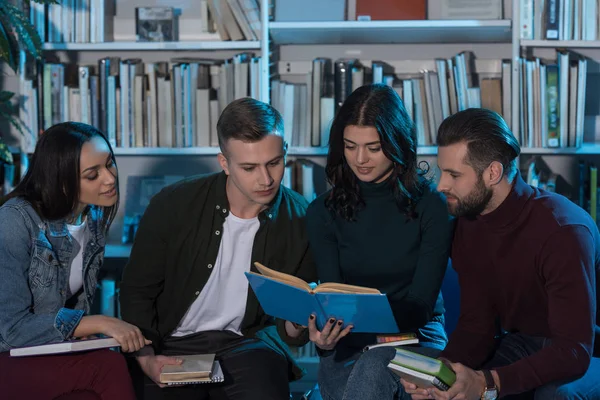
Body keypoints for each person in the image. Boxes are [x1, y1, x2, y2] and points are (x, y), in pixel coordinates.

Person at [119, 97, 318, 400]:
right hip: (170, 342)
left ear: (285, 151)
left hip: (247, 343)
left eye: (274, 163)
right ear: (224, 163)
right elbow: (137, 291)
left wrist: (298, 322)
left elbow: (289, 332)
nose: (266, 179)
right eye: (249, 167)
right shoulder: (172, 203)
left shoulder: (303, 218)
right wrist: (146, 359)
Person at [402, 108, 600, 400]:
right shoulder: (468, 225)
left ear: (492, 172)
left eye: (454, 174)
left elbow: (574, 349)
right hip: (522, 343)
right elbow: (477, 325)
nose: (441, 185)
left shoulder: (563, 229)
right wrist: (440, 373)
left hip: (588, 351)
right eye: (442, 171)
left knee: (554, 395)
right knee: (452, 390)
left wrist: (487, 382)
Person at [305, 84, 454, 400]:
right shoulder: (322, 211)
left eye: (373, 147)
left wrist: (368, 329)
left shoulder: (432, 206)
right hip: (349, 338)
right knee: (359, 372)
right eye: (350, 146)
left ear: (397, 143)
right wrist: (325, 335)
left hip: (418, 334)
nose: (360, 159)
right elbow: (334, 293)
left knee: (374, 365)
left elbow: (421, 307)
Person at [0, 122, 149, 400]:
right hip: (7, 354)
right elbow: (11, 330)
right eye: (92, 175)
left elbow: (70, 310)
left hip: (44, 352)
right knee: (108, 367)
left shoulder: (92, 221)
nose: (109, 178)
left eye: (109, 164)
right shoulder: (14, 221)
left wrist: (85, 335)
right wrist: (101, 323)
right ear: (62, 181)